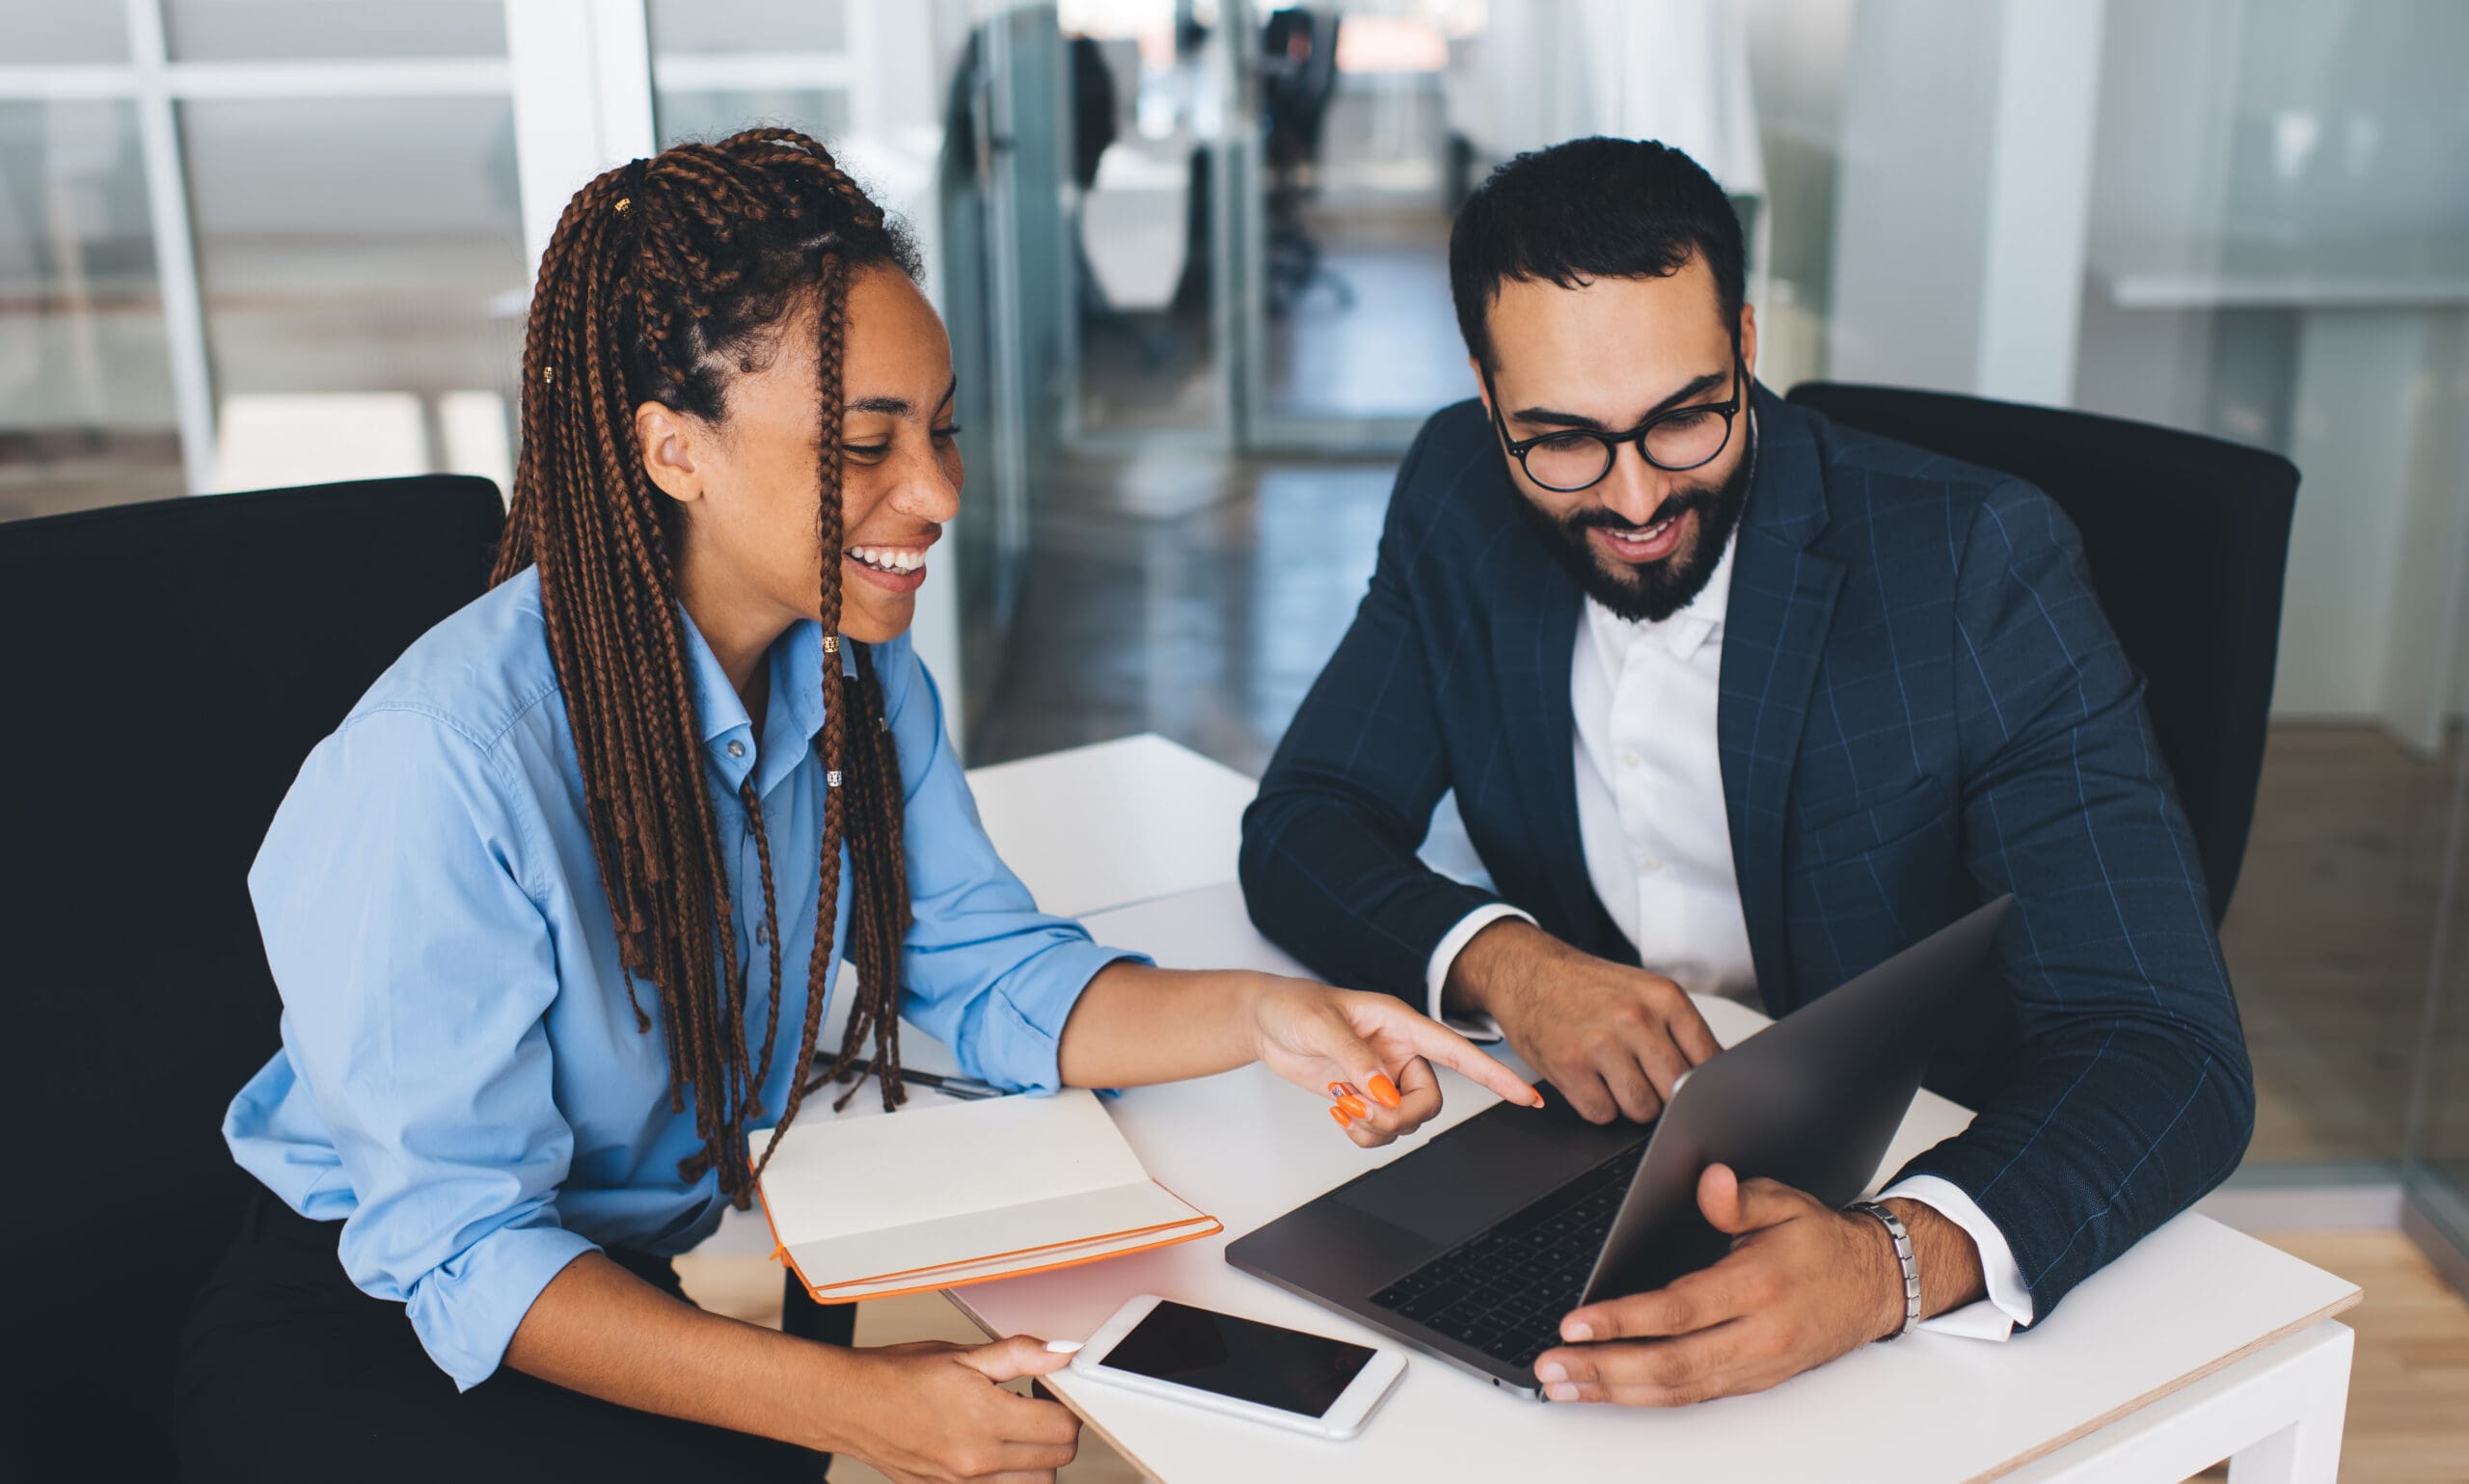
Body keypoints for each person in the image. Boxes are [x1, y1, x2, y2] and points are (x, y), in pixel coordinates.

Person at [174, 130, 1534, 1483]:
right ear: (672, 451)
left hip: (619, 1291)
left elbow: (989, 975)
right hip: (376, 1339)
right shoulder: (444, 766)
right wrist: (848, 1401)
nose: (936, 493)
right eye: (865, 446)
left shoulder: (853, 672)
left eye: (939, 432)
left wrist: (1262, 1015)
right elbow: (464, 1252)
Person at [1239, 136, 2254, 1407]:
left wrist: (1893, 1261)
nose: (1634, 498)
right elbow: (1304, 824)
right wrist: (1513, 962)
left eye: (1686, 418)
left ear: (1748, 343)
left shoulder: (1974, 568)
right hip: (1604, 1154)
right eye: (1560, 439)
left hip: (1919, 1165)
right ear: (1487, 400)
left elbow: (2167, 1044)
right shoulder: (1456, 488)